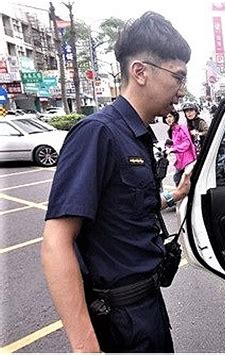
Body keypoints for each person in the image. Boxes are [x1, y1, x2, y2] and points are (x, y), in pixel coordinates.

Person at [41, 12, 191, 352]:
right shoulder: (98, 134)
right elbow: (56, 241)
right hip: (119, 321)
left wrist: (177, 193)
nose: (181, 90)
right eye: (177, 77)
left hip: (147, 307)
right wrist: (85, 347)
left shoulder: (136, 135)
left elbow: (125, 208)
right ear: (140, 72)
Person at [163, 110, 197, 186]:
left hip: (187, 159)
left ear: (175, 117)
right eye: (166, 117)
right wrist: (168, 147)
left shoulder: (181, 128)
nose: (168, 119)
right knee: (177, 179)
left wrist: (173, 149)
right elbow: (175, 143)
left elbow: (186, 143)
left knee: (184, 181)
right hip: (179, 159)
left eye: (170, 116)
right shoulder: (171, 130)